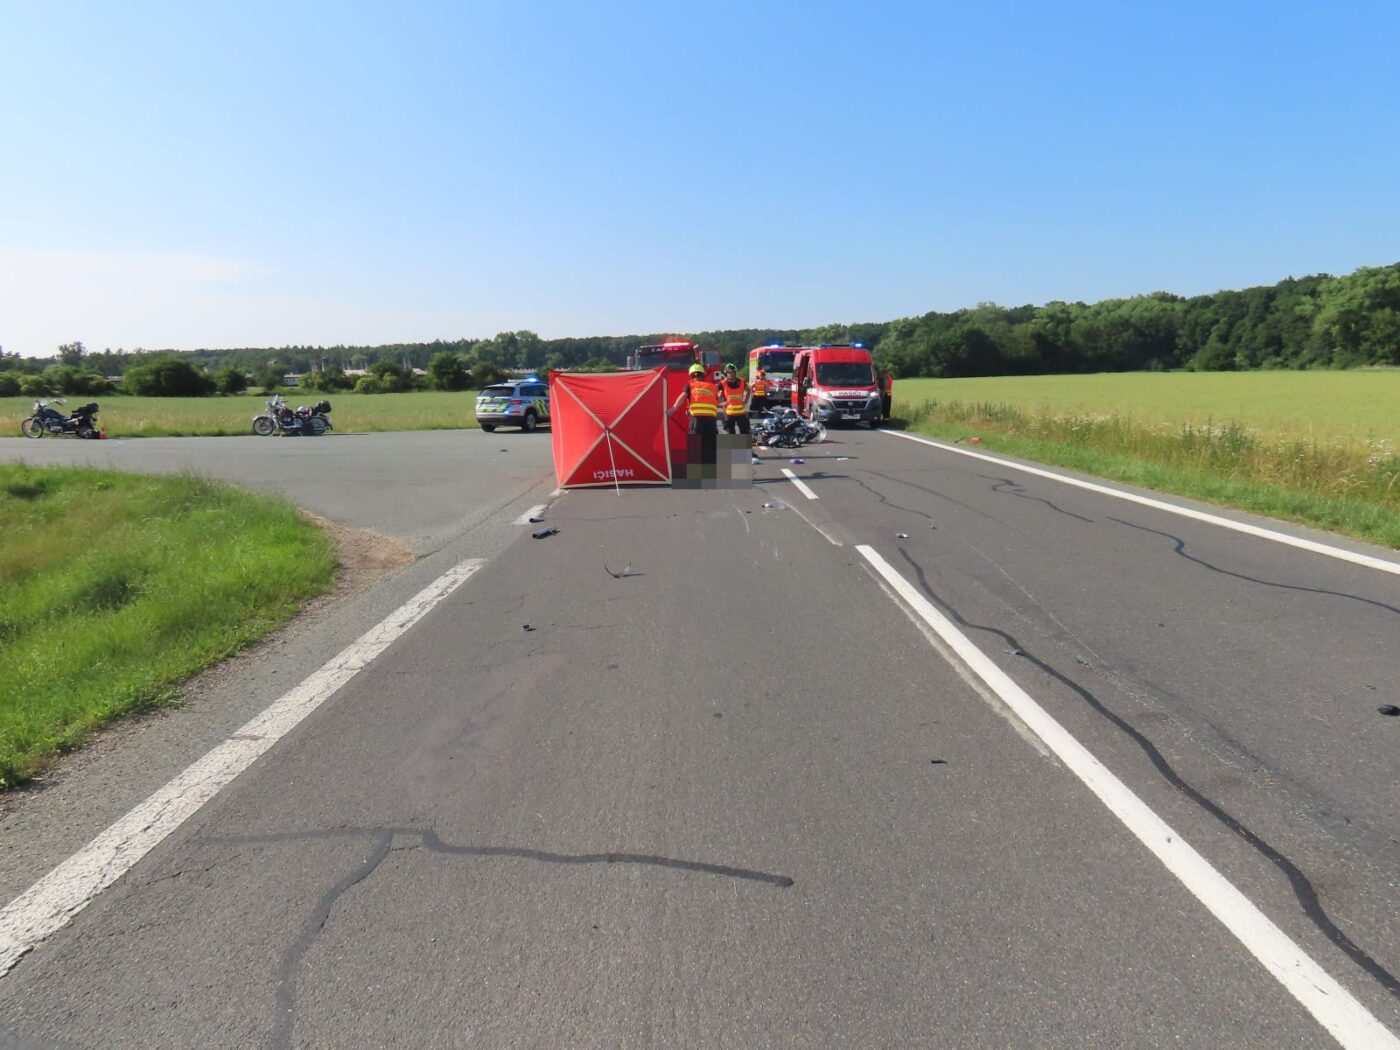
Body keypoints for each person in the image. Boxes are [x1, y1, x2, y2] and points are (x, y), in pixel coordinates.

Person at [671, 362, 720, 474]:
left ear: (692, 375)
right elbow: (714, 402)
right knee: (710, 445)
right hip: (711, 421)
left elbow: (683, 396)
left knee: (695, 445)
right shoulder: (712, 387)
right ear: (703, 375)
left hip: (697, 420)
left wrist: (673, 409)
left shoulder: (690, 385)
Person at [718, 363, 750, 437]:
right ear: (726, 373)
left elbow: (748, 390)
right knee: (731, 434)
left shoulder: (741, 381)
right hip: (728, 413)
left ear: (735, 373)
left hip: (740, 413)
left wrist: (745, 401)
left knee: (745, 432)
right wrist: (721, 402)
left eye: (732, 372)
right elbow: (715, 391)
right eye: (728, 373)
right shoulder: (722, 383)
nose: (730, 374)